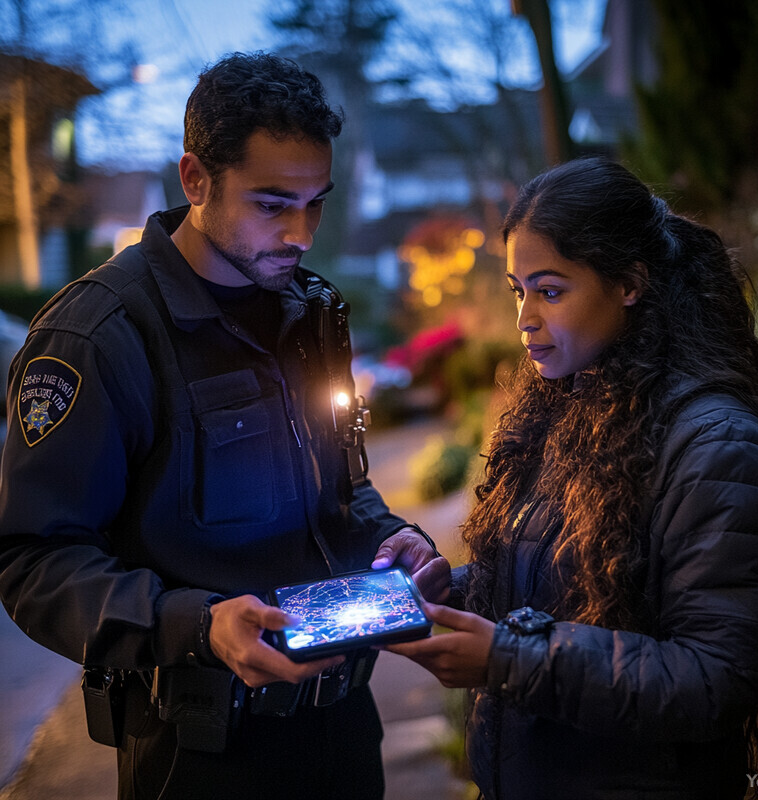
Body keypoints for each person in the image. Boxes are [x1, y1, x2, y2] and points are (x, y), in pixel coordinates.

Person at [0, 51, 448, 800]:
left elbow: (337, 486)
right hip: (202, 755)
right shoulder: (98, 336)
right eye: (273, 204)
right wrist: (198, 625)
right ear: (196, 179)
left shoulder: (310, 309)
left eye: (317, 202)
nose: (302, 233)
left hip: (345, 730)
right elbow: (31, 560)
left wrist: (383, 535)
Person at [389, 157, 758, 799]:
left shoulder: (716, 444)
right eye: (517, 289)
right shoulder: (569, 407)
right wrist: (454, 588)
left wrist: (511, 661)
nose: (525, 316)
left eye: (550, 290)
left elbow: (716, 678)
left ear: (630, 283)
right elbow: (569, 584)